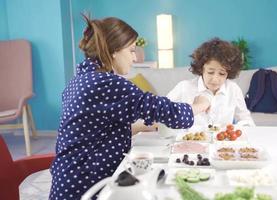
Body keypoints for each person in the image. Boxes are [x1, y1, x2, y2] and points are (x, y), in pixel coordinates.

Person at [49, 15, 210, 200]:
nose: (135, 58)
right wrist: (200, 104)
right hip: (85, 183)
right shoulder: (107, 83)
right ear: (114, 50)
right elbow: (166, 110)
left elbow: (94, 130)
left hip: (68, 177)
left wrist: (146, 126)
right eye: (132, 50)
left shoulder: (81, 80)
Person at [167, 38, 255, 128]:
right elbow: (163, 114)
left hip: (223, 141)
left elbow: (246, 120)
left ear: (229, 73)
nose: (215, 79)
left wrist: (236, 129)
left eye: (222, 73)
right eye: (210, 72)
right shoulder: (184, 87)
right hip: (190, 140)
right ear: (201, 69)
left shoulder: (233, 89)